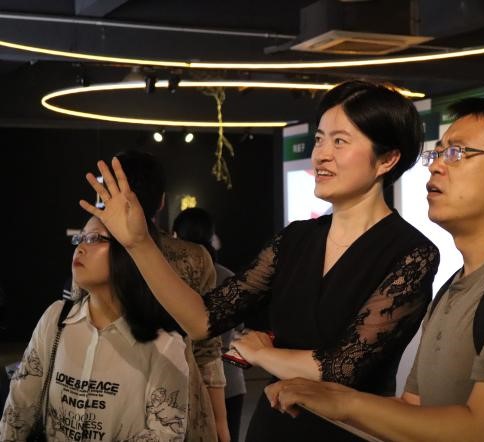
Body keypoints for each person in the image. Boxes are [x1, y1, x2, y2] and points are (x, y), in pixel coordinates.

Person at [79, 80, 440, 441]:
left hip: (349, 434)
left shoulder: (412, 253)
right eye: (319, 140)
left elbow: (341, 368)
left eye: (340, 141)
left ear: (387, 159)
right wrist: (139, 243)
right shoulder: (295, 238)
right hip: (273, 426)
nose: (321, 155)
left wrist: (262, 355)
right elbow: (202, 320)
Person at [265, 97, 484, 442]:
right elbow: (414, 410)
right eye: (437, 154)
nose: (436, 167)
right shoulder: (455, 286)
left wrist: (345, 402)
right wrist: (321, 398)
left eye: (458, 153)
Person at [0, 216, 189, 441]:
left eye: (93, 238)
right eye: (80, 238)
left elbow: (165, 433)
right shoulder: (56, 318)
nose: (79, 248)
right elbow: (20, 402)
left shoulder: (163, 343)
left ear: (131, 251)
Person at [110, 151, 230, 442]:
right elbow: (207, 349)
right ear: (162, 200)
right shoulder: (195, 257)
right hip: (180, 400)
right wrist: (220, 422)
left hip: (109, 396)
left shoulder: (96, 253)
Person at [172, 207, 246, 442]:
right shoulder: (228, 277)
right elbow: (239, 329)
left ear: (176, 237)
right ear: (211, 236)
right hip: (231, 383)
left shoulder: (169, 281)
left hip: (187, 381)